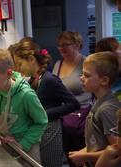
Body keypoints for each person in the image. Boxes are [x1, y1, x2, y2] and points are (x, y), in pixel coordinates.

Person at [13, 41, 80, 167]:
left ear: (32, 59)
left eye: (20, 64)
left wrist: (45, 113)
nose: (19, 68)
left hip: (51, 131)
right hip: (39, 131)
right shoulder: (34, 79)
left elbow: (74, 104)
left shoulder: (50, 79)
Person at [68, 51, 121, 167]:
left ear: (104, 80)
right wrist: (83, 151)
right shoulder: (97, 102)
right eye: (82, 74)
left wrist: (85, 157)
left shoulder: (106, 109)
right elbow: (98, 142)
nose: (81, 78)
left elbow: (117, 150)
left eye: (87, 75)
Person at [52, 30, 92, 167]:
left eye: (65, 45)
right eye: (59, 45)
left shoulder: (86, 63)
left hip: (82, 116)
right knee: (70, 156)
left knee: (83, 157)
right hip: (63, 117)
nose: (61, 48)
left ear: (77, 45)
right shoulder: (58, 64)